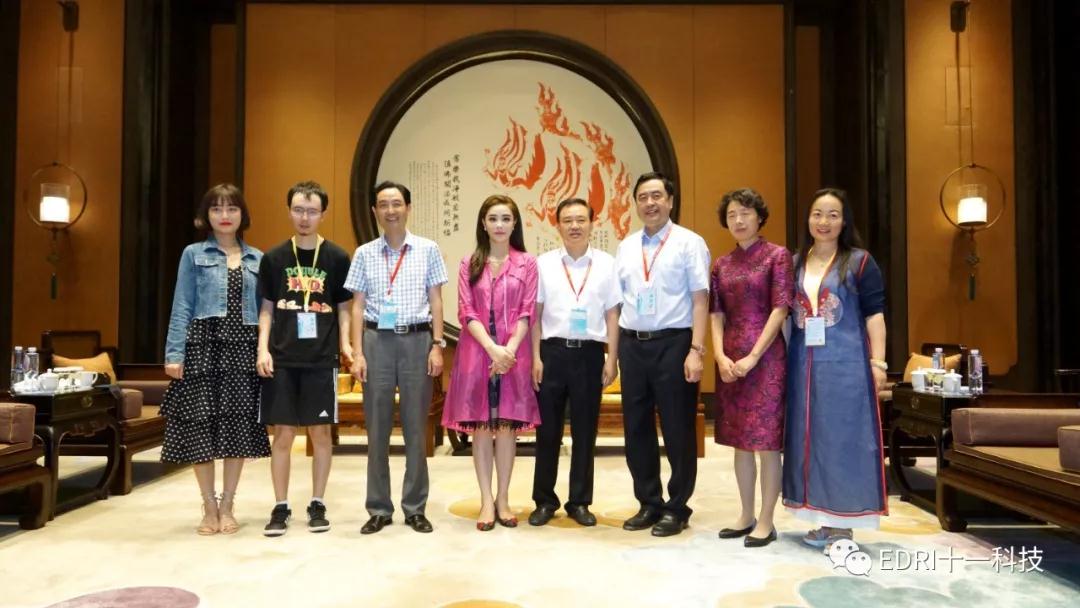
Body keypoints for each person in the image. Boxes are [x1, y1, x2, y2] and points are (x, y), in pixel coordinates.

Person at [161, 183, 271, 535]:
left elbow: (266, 312)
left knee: (237, 428)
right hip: (203, 348)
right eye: (217, 209)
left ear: (242, 215)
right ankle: (208, 506)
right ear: (205, 216)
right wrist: (174, 353)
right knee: (200, 427)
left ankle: (228, 504)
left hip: (243, 351)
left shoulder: (258, 258)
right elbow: (182, 304)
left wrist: (264, 350)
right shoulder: (193, 254)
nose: (225, 215)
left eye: (232, 208)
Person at [782, 187, 888, 548]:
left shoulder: (859, 261)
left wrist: (878, 362)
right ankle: (821, 519)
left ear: (844, 222)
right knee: (810, 439)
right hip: (803, 367)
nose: (823, 221)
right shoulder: (795, 262)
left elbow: (875, 315)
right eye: (817, 214)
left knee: (843, 439)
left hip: (846, 366)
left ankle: (844, 522)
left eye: (832, 215)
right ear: (807, 219)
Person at [345, 181, 448, 535]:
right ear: (375, 211)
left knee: (417, 427)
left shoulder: (427, 249)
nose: (390, 210)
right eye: (383, 204)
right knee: (377, 428)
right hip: (377, 341)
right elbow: (357, 306)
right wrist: (357, 352)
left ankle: (415, 507)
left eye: (397, 203)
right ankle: (379, 508)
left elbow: (436, 300)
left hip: (417, 340)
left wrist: (437, 345)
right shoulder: (364, 253)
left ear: (408, 208)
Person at [614, 171, 711, 537]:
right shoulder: (626, 247)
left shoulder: (689, 243)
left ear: (670, 201)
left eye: (657, 196)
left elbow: (700, 299)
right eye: (643, 197)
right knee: (636, 427)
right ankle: (649, 502)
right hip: (633, 344)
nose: (650, 203)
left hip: (674, 343)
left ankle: (677, 507)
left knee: (677, 428)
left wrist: (696, 350)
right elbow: (618, 301)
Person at [256, 180, 354, 537]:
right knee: (283, 434)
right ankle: (281, 505)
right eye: (298, 210)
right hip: (282, 357)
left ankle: (317, 502)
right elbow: (266, 309)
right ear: (289, 211)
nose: (304, 218)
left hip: (320, 359)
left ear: (323, 214)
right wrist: (262, 349)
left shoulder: (337, 258)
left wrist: (346, 344)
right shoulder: (274, 258)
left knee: (321, 433)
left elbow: (344, 308)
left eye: (312, 211)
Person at [442, 194, 541, 531]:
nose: (499, 225)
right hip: (477, 354)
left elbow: (527, 311)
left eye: (506, 219)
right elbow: (466, 311)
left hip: (514, 356)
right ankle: (486, 499)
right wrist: (492, 349)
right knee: (482, 429)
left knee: (507, 429)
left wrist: (508, 350)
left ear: (514, 224)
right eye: (493, 218)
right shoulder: (469, 263)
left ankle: (503, 498)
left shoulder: (527, 263)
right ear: (483, 224)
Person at [528, 197, 621, 527]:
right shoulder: (543, 264)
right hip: (551, 353)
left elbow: (612, 314)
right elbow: (535, 314)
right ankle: (544, 500)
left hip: (590, 354)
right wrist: (535, 357)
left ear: (592, 223)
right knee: (547, 432)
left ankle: (579, 501)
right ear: (557, 226)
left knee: (585, 431)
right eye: (567, 220)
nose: (575, 226)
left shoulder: (607, 264)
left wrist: (612, 357)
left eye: (581, 219)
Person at [708, 188, 792, 548]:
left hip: (766, 359)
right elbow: (715, 314)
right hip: (730, 359)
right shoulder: (721, 264)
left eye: (745, 213)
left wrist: (754, 356)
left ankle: (767, 520)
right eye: (731, 215)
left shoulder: (777, 256)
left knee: (766, 443)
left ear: (759, 217)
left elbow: (780, 309)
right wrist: (719, 356)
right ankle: (746, 514)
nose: (738, 220)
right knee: (740, 442)